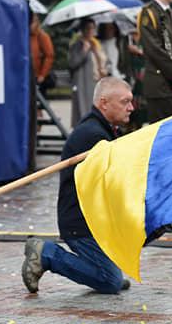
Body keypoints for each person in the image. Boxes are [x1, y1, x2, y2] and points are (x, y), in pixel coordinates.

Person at [21, 77, 135, 294]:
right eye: (124, 102)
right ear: (104, 103)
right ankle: (47, 254)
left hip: (96, 218)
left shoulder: (104, 129)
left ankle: (106, 266)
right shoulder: (92, 135)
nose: (131, 107)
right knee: (109, 281)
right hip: (81, 223)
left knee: (145, 227)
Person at [69, 19, 108, 127]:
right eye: (88, 28)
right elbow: (73, 63)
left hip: (95, 81)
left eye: (92, 28)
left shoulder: (95, 43)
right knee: (83, 110)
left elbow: (103, 60)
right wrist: (84, 51)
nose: (91, 31)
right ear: (82, 30)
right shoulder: (77, 44)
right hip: (83, 82)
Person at [30, 12, 55, 96]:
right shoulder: (25, 35)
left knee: (38, 103)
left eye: (32, 22)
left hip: (38, 76)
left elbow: (49, 56)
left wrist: (42, 75)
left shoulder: (42, 36)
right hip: (27, 75)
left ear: (37, 22)